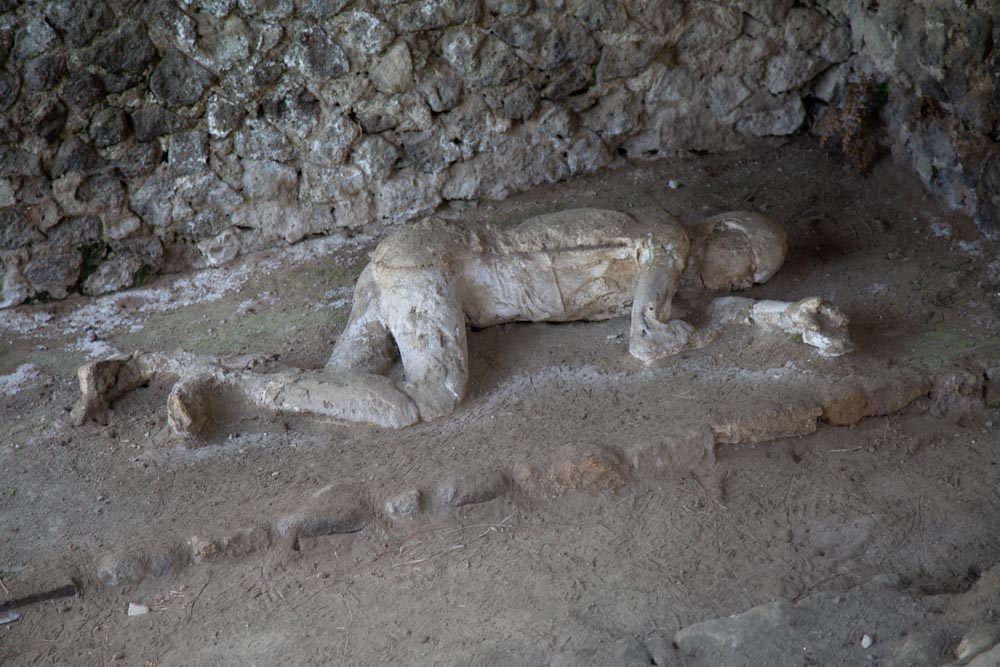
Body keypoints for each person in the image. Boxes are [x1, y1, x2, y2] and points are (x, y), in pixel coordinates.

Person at [72, 208, 852, 435]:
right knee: (429, 398)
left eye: (750, 279)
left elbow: (699, 311)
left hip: (417, 262)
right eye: (745, 266)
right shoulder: (668, 240)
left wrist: (788, 318)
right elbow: (653, 341)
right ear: (723, 236)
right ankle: (236, 394)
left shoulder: (670, 258)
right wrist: (720, 325)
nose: (735, 280)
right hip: (431, 268)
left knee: (344, 385)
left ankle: (158, 368)